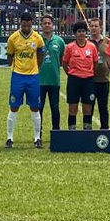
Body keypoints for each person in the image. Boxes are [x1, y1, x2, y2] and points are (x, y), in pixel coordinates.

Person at [5, 12, 45, 147]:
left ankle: (36, 138)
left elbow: (40, 56)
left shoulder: (37, 38)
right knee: (14, 106)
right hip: (17, 76)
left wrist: (34, 69)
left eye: (28, 25)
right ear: (20, 23)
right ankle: (9, 138)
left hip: (33, 77)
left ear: (32, 23)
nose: (26, 28)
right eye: (24, 25)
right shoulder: (13, 38)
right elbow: (9, 58)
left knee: (35, 107)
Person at [63, 21, 99, 129]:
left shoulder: (92, 47)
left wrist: (90, 73)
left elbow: (95, 63)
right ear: (75, 33)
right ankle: (72, 132)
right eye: (79, 31)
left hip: (88, 80)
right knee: (73, 108)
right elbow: (64, 63)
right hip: (74, 80)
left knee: (87, 109)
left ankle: (86, 132)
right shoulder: (70, 47)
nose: (81, 34)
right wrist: (70, 74)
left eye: (83, 31)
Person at [38, 15, 65, 137]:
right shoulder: (37, 39)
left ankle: (56, 132)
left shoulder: (59, 41)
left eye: (49, 23)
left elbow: (62, 58)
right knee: (39, 108)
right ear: (41, 25)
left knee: (55, 107)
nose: (47, 25)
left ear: (53, 25)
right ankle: (38, 133)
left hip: (54, 80)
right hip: (39, 80)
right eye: (45, 23)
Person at [88, 18, 110, 129]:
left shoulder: (107, 42)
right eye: (91, 26)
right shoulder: (86, 42)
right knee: (89, 107)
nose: (94, 28)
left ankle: (105, 129)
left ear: (100, 27)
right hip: (90, 81)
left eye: (96, 26)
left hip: (104, 80)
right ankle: (87, 131)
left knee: (103, 108)